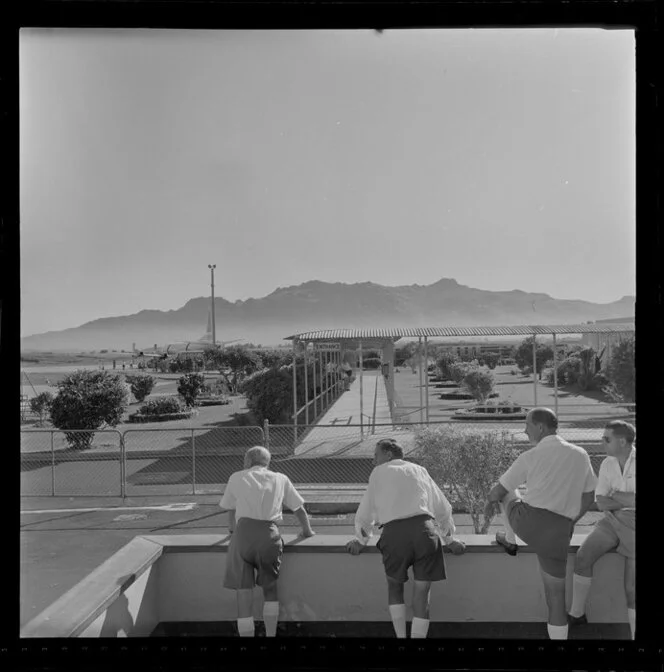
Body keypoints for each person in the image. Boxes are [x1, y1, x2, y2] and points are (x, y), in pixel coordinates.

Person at [485, 407, 597, 640]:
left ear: (540, 427)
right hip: (558, 531)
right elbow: (588, 498)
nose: (524, 430)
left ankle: (509, 539)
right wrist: (570, 522)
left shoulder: (530, 456)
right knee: (556, 597)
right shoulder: (581, 454)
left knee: (508, 492)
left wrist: (489, 503)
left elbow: (497, 492)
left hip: (527, 524)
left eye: (527, 425)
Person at [346, 438, 466, 639]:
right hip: (425, 534)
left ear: (388, 455)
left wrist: (361, 539)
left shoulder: (379, 472)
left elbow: (366, 511)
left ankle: (401, 639)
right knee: (422, 594)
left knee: (394, 586)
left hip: (395, 536)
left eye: (376, 455)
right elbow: (442, 507)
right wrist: (449, 539)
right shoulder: (420, 470)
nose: (373, 460)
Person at [219, 446, 315, 637]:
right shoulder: (280, 478)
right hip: (269, 535)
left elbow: (230, 508)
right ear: (267, 462)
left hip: (243, 535)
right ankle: (270, 635)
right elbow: (299, 509)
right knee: (270, 588)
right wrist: (307, 531)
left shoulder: (236, 477)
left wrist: (232, 530)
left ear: (247, 461)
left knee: (243, 591)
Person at [568, 420, 636, 638]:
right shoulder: (607, 463)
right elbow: (600, 501)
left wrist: (614, 496)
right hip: (611, 520)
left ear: (623, 441)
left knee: (632, 590)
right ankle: (576, 614)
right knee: (583, 556)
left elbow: (609, 498)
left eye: (607, 439)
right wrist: (625, 499)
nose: (602, 442)